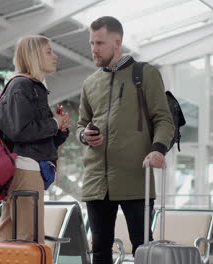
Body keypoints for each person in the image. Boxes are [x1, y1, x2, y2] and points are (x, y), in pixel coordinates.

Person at [76, 16, 174, 263]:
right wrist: (84, 135)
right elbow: (80, 124)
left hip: (136, 179)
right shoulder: (90, 83)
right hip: (97, 182)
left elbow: (164, 119)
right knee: (99, 250)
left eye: (99, 43)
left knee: (143, 248)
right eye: (91, 43)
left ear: (117, 42)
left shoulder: (145, 74)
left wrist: (158, 150)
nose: (94, 49)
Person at [0, 35, 72, 244]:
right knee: (29, 238)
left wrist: (59, 129)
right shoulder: (22, 86)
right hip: (25, 169)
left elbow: (36, 138)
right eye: (49, 52)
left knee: (10, 237)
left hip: (26, 167)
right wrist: (53, 123)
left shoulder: (31, 87)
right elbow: (20, 131)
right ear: (34, 55)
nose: (55, 56)